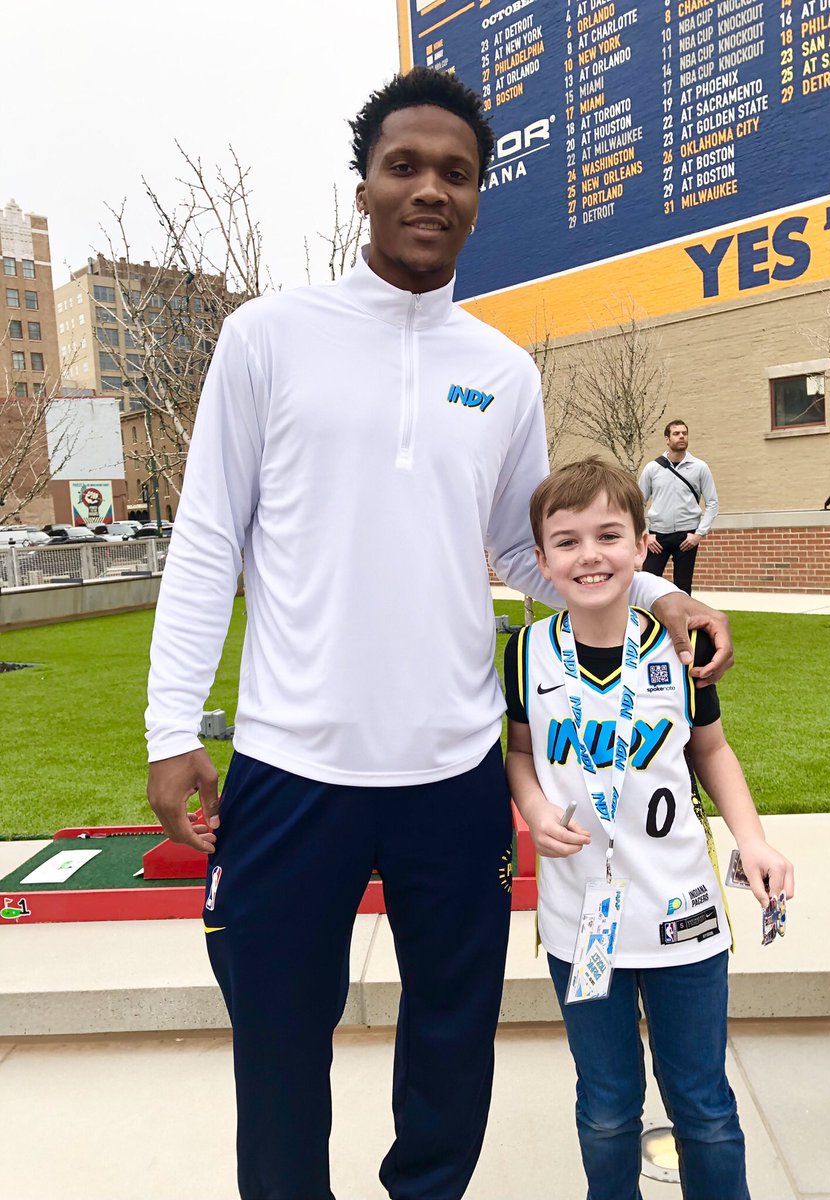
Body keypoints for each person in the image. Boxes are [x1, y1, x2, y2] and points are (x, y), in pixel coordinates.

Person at [145, 69, 734, 1200]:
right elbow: (209, 537)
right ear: (362, 186)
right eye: (403, 167)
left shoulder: (501, 372)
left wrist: (662, 598)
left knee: (452, 1046)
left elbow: (529, 553)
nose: (428, 189)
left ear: (478, 198)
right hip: (290, 766)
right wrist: (175, 723)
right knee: (275, 1045)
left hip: (454, 771)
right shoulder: (268, 338)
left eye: (454, 174)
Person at [504, 457, 794, 1200]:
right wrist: (535, 810)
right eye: (565, 542)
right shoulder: (524, 655)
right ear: (538, 562)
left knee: (703, 1108)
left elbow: (712, 750)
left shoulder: (674, 647)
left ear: (642, 549)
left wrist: (752, 839)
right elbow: (521, 754)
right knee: (606, 1111)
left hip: (682, 918)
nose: (589, 554)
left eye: (608, 535)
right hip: (582, 925)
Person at [639, 419, 719, 595]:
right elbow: (637, 503)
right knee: (647, 584)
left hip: (687, 536)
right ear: (667, 439)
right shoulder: (652, 468)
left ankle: (683, 623)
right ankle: (648, 621)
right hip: (657, 537)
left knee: (683, 587)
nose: (681, 436)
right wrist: (646, 534)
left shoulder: (700, 467)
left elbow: (712, 503)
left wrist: (698, 534)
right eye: (676, 433)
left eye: (684, 433)